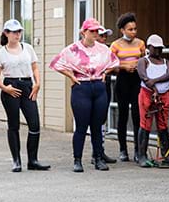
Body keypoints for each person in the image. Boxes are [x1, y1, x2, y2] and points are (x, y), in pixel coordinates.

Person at [49, 18, 120, 172]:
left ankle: (98, 158)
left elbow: (114, 63)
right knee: (81, 126)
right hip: (82, 86)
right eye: (92, 31)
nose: (95, 33)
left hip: (98, 86)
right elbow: (57, 63)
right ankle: (77, 159)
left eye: (97, 31)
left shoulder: (103, 49)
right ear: (83, 32)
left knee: (97, 125)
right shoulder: (73, 49)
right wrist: (71, 76)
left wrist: (105, 73)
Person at [0, 19, 50, 172]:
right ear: (6, 33)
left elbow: (35, 67)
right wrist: (5, 88)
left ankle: (33, 160)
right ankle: (16, 161)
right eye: (13, 32)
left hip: (27, 85)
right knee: (14, 124)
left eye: (19, 31)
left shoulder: (28, 48)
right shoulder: (0, 53)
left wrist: (37, 83)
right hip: (11, 86)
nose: (17, 34)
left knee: (34, 124)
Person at [136, 34, 169, 168]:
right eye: (156, 48)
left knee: (163, 124)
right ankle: (142, 155)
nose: (159, 51)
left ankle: (166, 155)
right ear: (149, 47)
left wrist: (155, 81)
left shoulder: (166, 62)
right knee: (145, 123)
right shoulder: (144, 61)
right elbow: (143, 76)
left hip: (163, 95)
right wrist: (153, 88)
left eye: (160, 48)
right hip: (147, 94)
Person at [110, 13, 145, 162]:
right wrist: (124, 66)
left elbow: (144, 60)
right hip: (122, 80)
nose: (133, 32)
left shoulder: (140, 43)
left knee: (138, 115)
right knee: (123, 114)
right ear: (122, 30)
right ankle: (123, 149)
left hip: (136, 80)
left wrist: (137, 66)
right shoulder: (116, 45)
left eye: (135, 29)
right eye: (130, 29)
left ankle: (138, 150)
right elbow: (110, 65)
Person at [93, 26, 117, 165]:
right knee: (95, 119)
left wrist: (106, 72)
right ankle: (96, 153)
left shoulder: (107, 51)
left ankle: (100, 150)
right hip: (92, 86)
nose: (104, 39)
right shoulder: (90, 51)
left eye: (105, 37)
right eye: (101, 36)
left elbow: (114, 64)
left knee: (102, 117)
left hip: (104, 84)